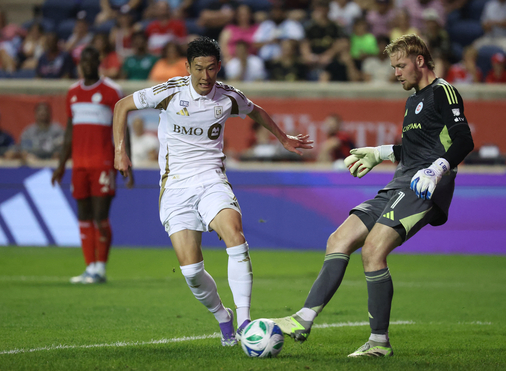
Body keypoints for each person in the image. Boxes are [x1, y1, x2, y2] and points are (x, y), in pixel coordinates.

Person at [272, 33, 474, 358]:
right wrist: (379, 152)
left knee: (372, 252)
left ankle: (378, 342)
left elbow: (464, 139)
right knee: (339, 238)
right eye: (393, 67)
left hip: (425, 184)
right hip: (401, 181)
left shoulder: (443, 91)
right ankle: (303, 319)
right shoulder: (413, 101)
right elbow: (413, 148)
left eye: (400, 65)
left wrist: (437, 169)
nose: (396, 73)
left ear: (419, 61)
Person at [112, 36, 313, 347]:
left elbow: (255, 110)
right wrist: (120, 151)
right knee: (192, 271)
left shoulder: (228, 97)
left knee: (235, 234)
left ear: (219, 66)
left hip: (211, 179)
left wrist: (283, 138)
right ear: (188, 68)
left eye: (211, 69)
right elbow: (122, 105)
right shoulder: (170, 92)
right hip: (175, 185)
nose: (206, 77)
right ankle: (223, 315)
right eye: (199, 69)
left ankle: (246, 322)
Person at [51, 46, 134, 284]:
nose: (86, 64)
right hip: (79, 164)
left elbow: (122, 128)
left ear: (98, 61)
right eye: (83, 61)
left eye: (90, 60)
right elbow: (69, 133)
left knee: (100, 217)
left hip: (103, 163)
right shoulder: (73, 92)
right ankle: (89, 267)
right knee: (84, 217)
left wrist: (126, 160)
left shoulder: (111, 91)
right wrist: (61, 165)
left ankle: (100, 268)